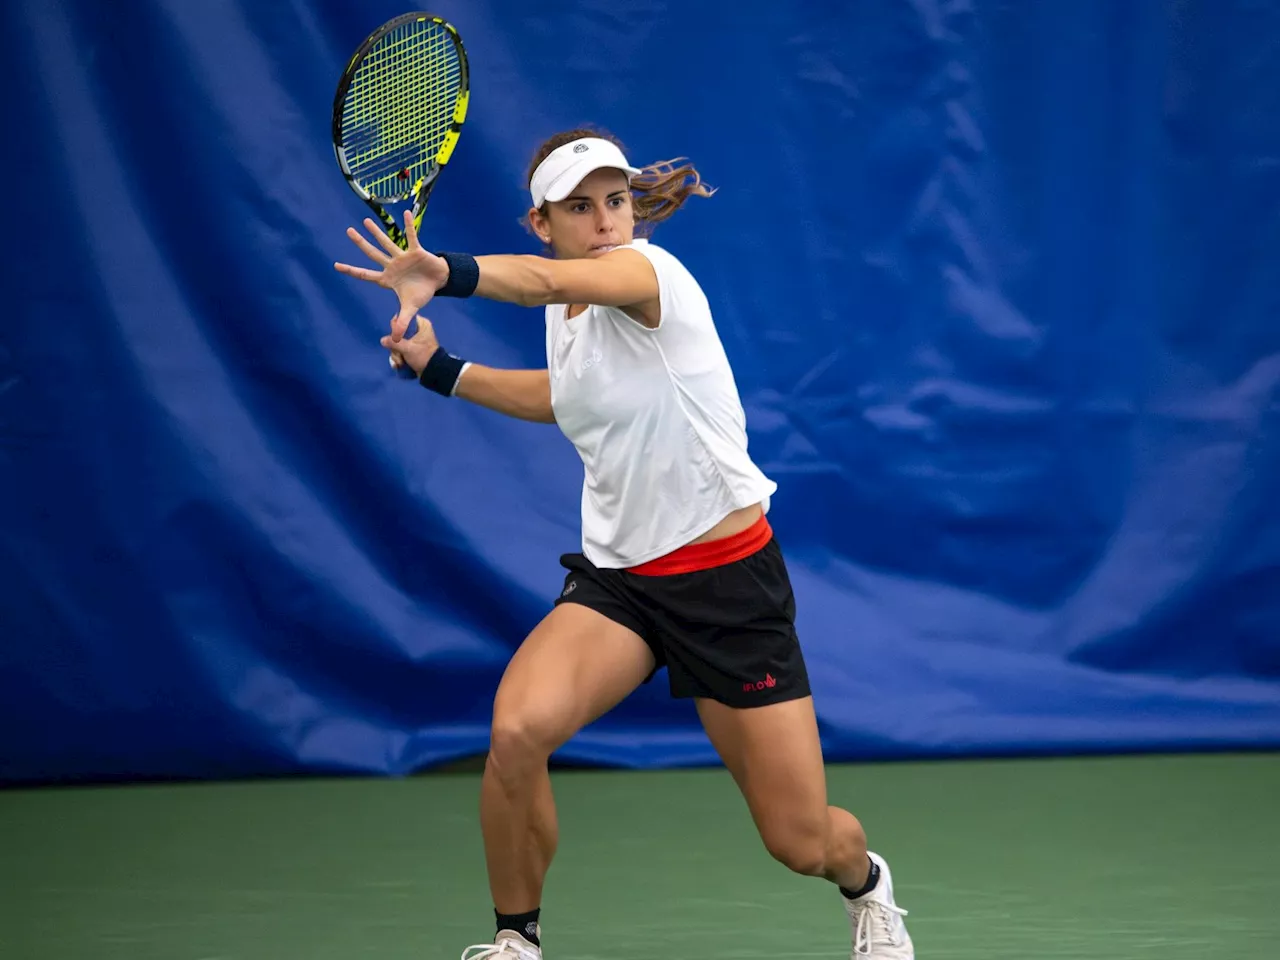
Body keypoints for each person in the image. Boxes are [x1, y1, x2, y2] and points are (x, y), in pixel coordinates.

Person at [333, 127, 914, 960]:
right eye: (580, 206)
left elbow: (537, 283)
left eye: (616, 200)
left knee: (800, 841)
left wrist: (446, 272)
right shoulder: (568, 317)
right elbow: (567, 398)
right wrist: (441, 369)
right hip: (622, 583)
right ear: (542, 220)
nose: (607, 219)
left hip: (727, 585)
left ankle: (868, 888)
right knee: (516, 732)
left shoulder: (650, 273)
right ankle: (516, 941)